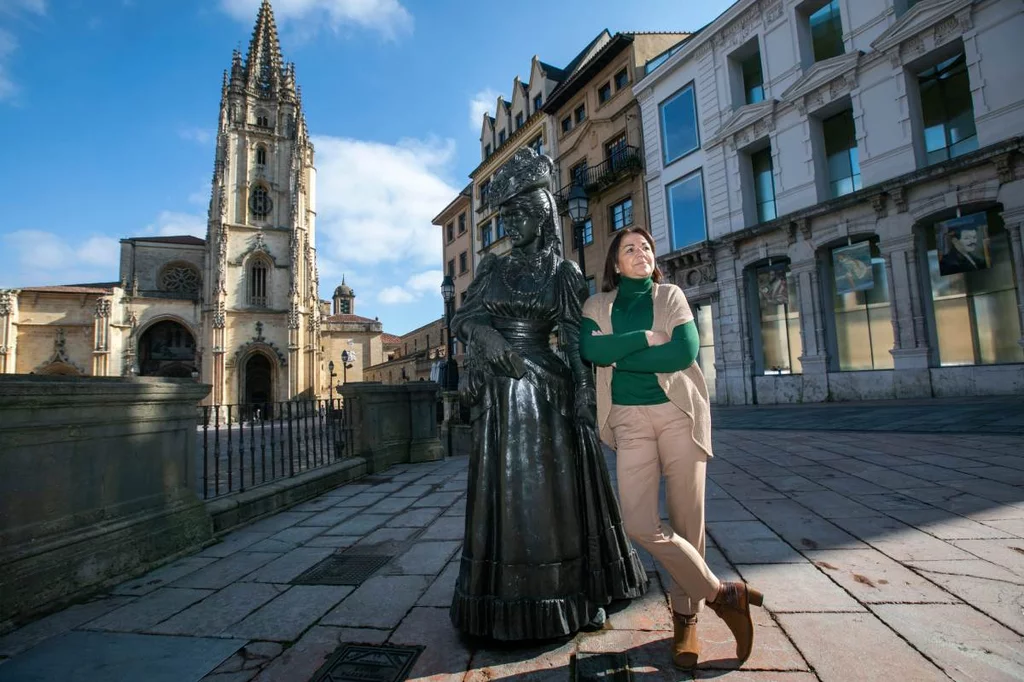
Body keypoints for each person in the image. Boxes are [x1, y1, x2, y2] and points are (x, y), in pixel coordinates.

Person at [449, 148, 647, 641]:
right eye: (505, 214)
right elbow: (464, 318)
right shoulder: (492, 271)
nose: (511, 223)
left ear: (540, 215)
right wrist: (485, 339)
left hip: (546, 394)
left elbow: (575, 337)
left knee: (556, 499)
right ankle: (498, 600)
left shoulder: (564, 273)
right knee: (505, 497)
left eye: (520, 213)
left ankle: (577, 591)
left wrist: (583, 393)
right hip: (500, 395)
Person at [580, 227, 764, 669]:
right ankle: (724, 594)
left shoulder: (671, 296)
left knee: (687, 520)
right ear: (615, 263)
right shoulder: (597, 305)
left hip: (679, 414)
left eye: (645, 247)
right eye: (629, 248)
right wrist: (645, 338)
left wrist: (619, 353)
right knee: (640, 522)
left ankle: (687, 620)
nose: (640, 252)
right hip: (628, 420)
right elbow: (590, 348)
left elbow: (682, 352)